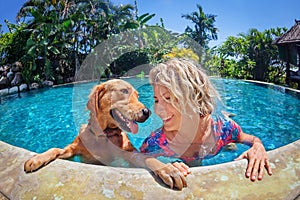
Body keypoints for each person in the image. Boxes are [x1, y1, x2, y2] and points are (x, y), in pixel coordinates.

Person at [139, 58, 273, 183]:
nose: (157, 110)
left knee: (231, 147)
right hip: (187, 154)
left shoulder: (224, 129)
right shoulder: (158, 142)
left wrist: (258, 147)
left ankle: (227, 131)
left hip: (212, 136)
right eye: (157, 100)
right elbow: (137, 158)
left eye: (168, 98)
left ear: (194, 97)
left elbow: (251, 139)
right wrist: (159, 165)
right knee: (191, 166)